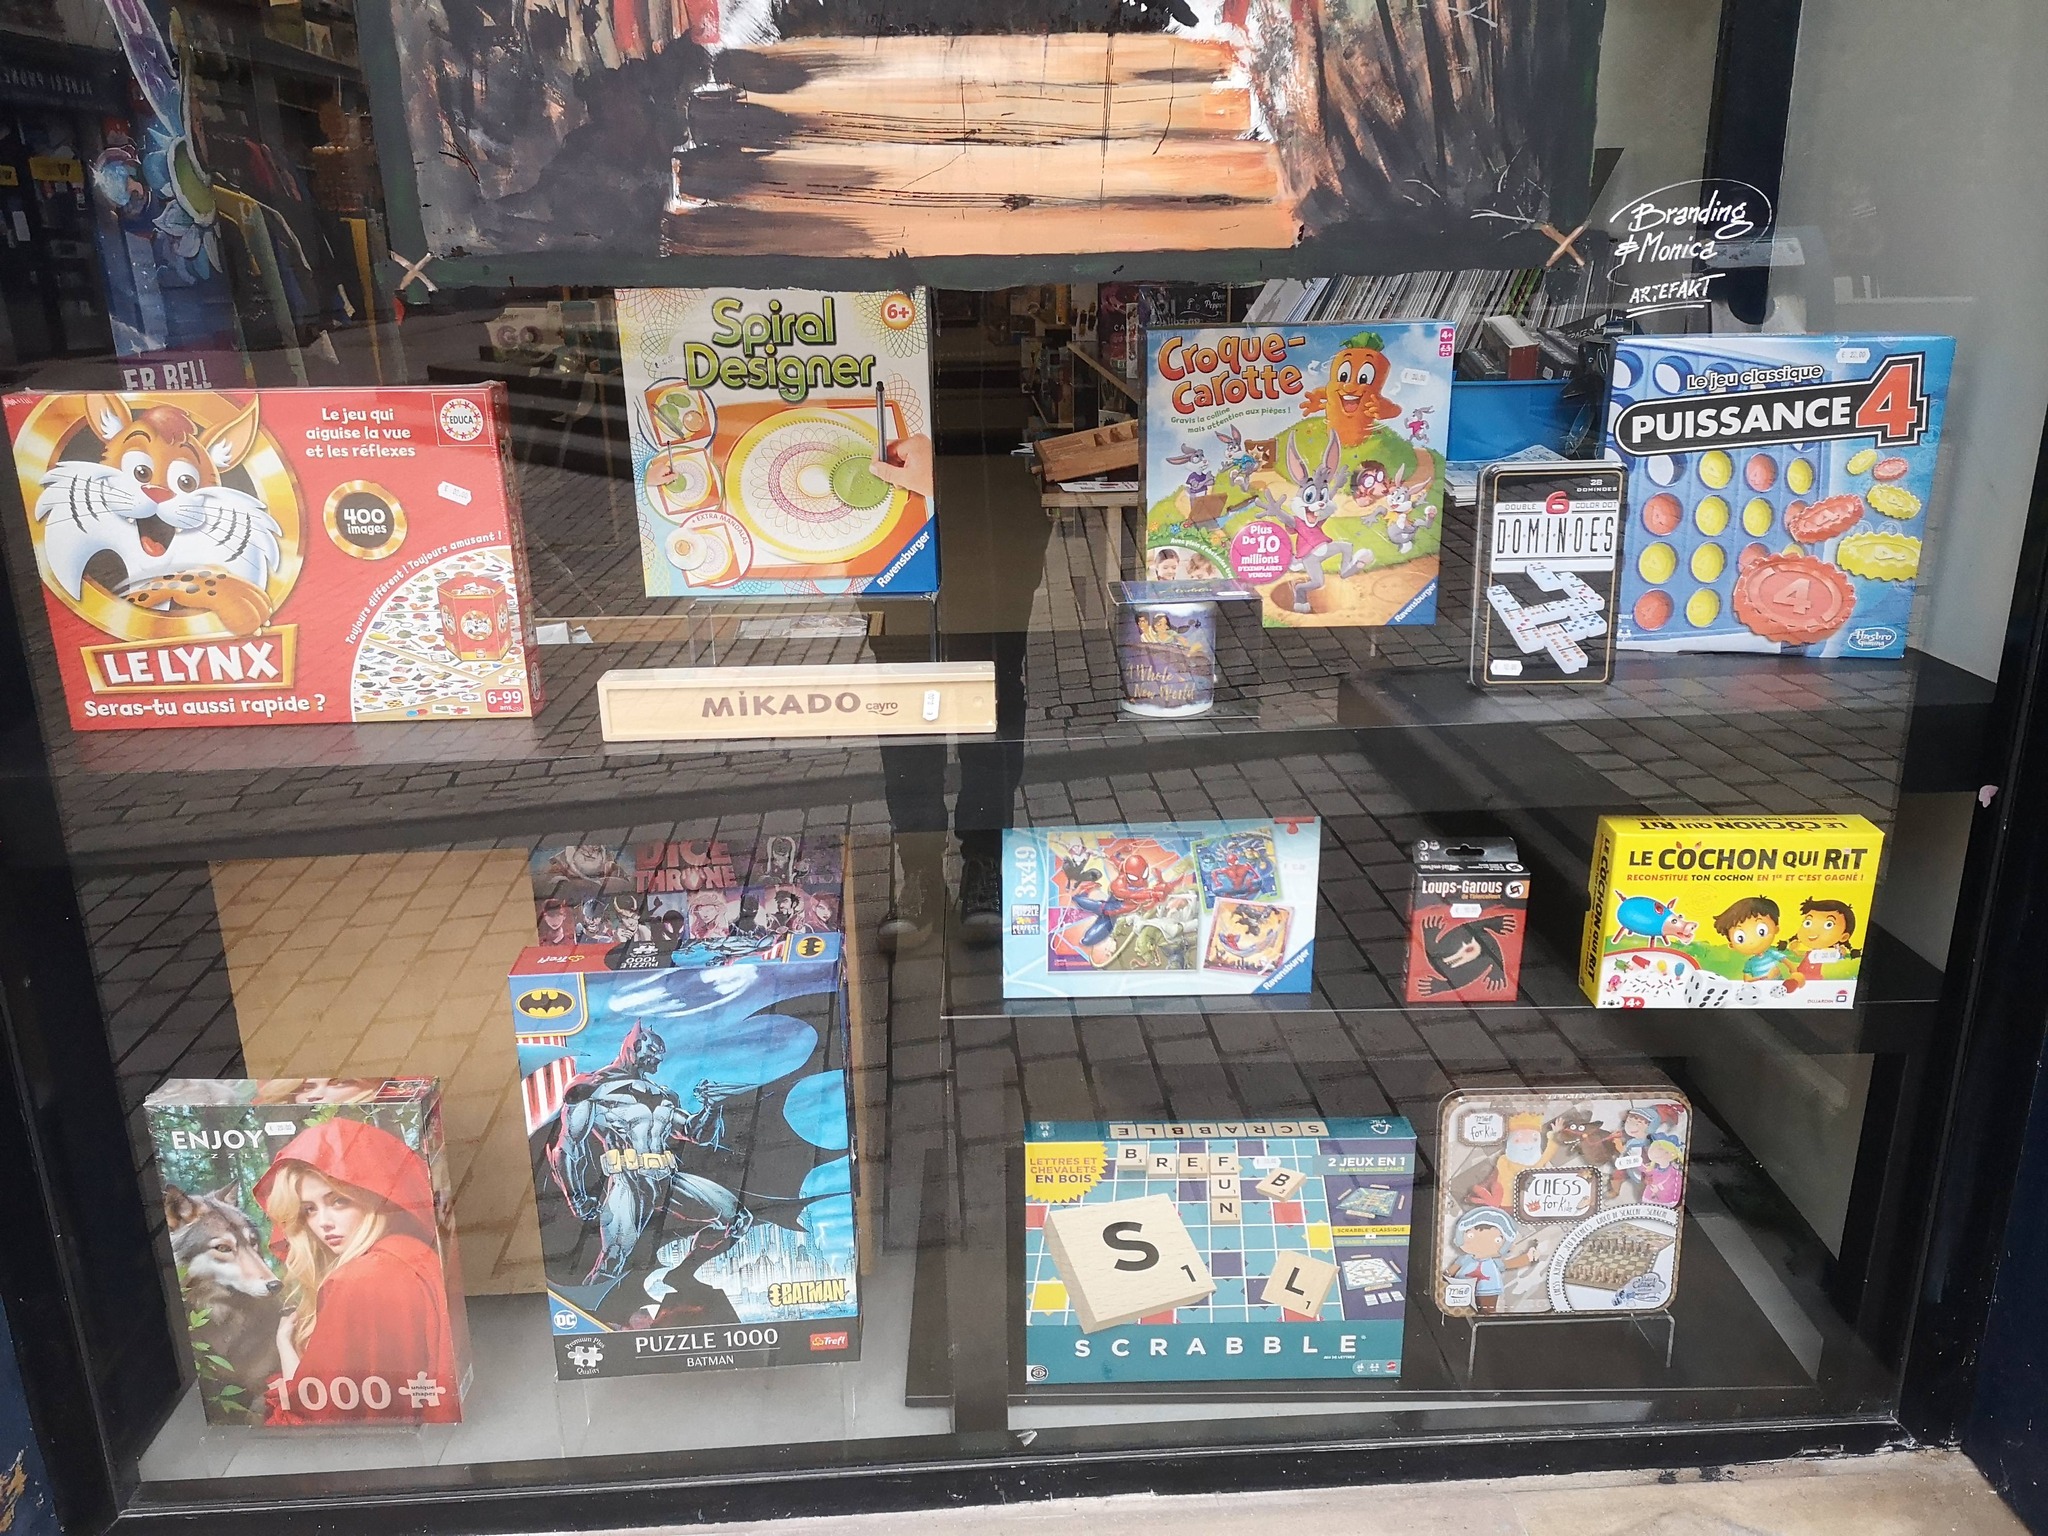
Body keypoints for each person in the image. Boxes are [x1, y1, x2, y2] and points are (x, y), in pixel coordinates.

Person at [255, 1117, 461, 1424]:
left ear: (374, 1197)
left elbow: (315, 1414)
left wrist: (285, 1344)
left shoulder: (359, 1280)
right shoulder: (413, 1252)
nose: (323, 1223)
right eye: (309, 1209)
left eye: (338, 1201)